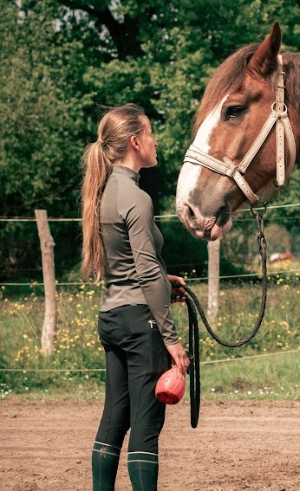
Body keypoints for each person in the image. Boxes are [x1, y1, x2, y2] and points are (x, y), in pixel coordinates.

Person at [80, 103, 190, 491]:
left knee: (114, 419)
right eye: (150, 133)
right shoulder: (137, 198)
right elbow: (143, 271)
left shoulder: (105, 192)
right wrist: (172, 341)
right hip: (140, 324)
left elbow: (132, 267)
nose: (155, 141)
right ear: (134, 141)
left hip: (112, 318)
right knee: (146, 427)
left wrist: (164, 278)